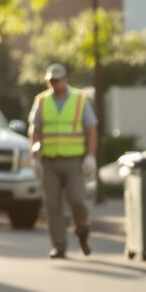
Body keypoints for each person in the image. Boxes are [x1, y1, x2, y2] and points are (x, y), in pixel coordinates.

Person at [28, 63, 97, 258]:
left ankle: (82, 231)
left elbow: (91, 128)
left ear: (66, 80)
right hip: (49, 161)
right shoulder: (41, 101)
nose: (53, 84)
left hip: (73, 161)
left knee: (77, 200)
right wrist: (35, 158)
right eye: (50, 81)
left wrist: (90, 156)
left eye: (57, 81)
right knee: (52, 205)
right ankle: (59, 246)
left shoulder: (79, 99)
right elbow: (35, 130)